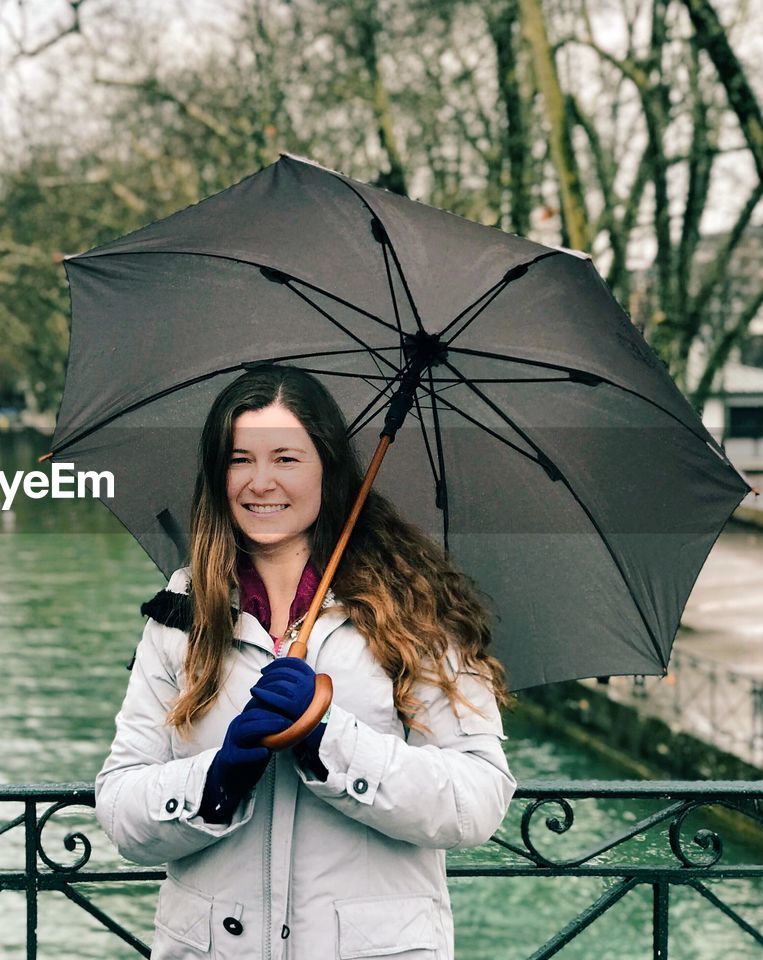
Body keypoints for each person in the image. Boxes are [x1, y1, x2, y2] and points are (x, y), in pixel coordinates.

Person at [94, 365, 515, 959]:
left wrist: (327, 742)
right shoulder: (181, 612)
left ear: (328, 468)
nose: (260, 482)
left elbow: (478, 801)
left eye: (286, 459)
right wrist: (216, 781)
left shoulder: (415, 608)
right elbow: (119, 810)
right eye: (241, 459)